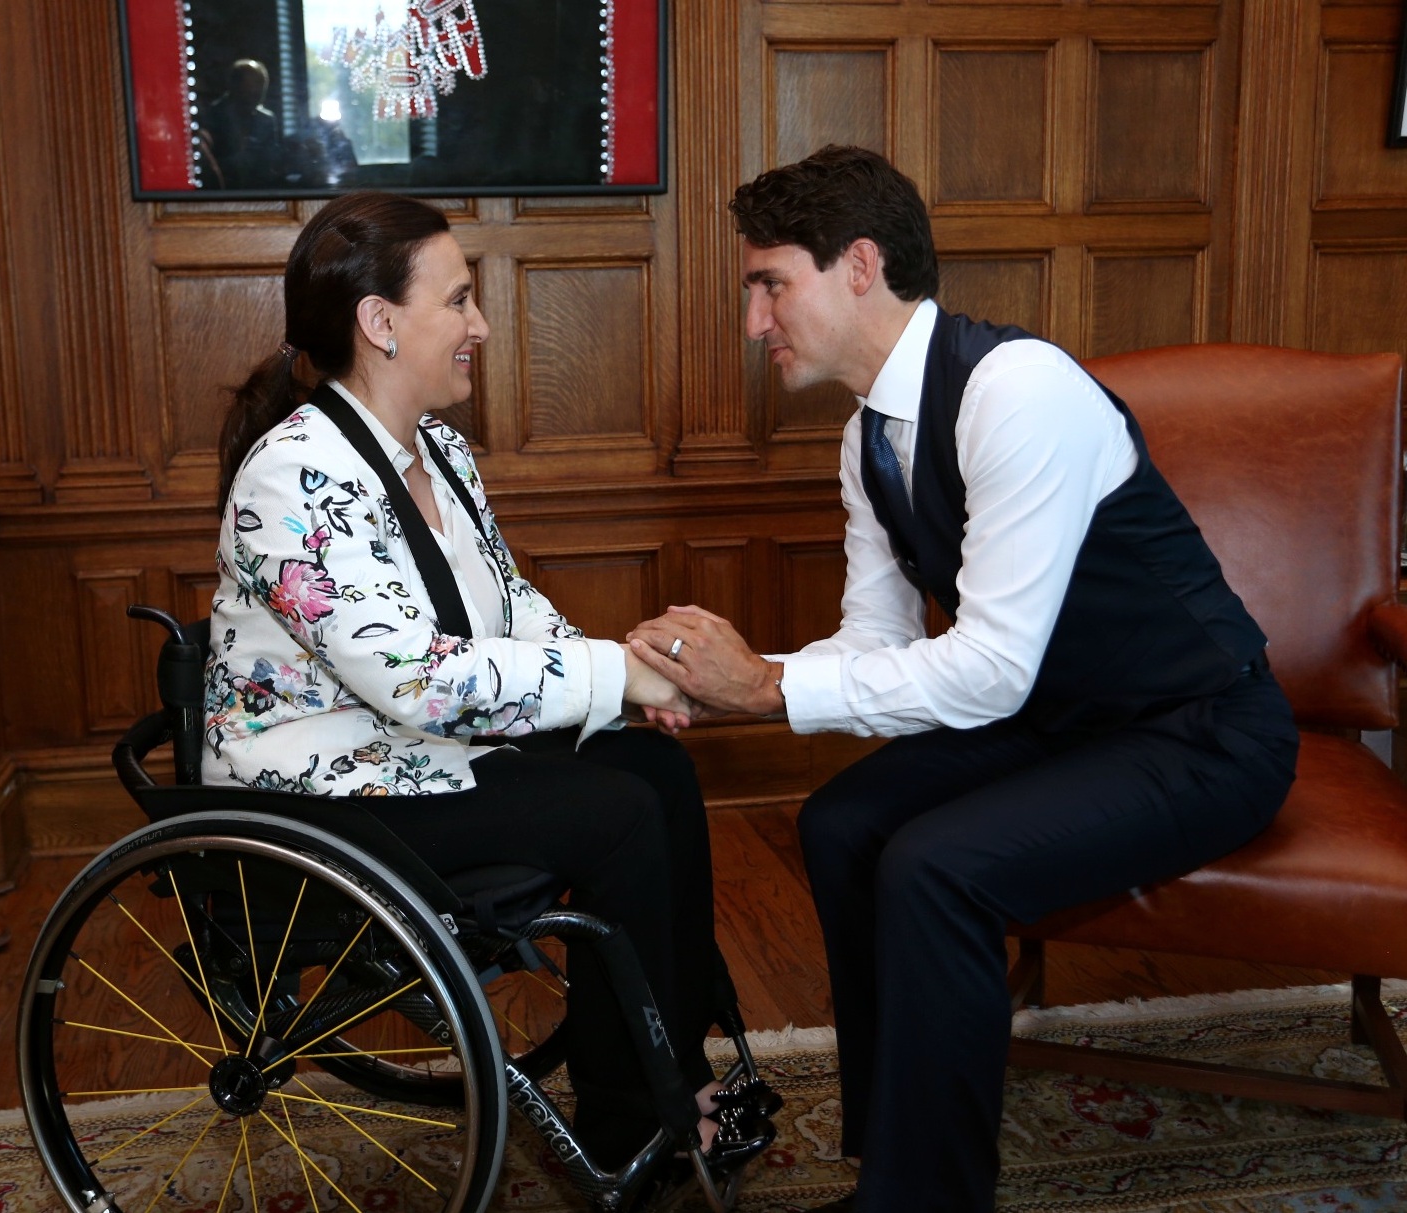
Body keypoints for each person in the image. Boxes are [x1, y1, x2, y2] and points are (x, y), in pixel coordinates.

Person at [628, 145, 1299, 1212]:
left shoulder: (1017, 391)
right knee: (844, 823)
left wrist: (764, 689)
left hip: (1204, 731)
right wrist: (729, 682)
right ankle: (895, 1156)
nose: (756, 321)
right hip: (1066, 719)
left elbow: (988, 671)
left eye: (770, 285)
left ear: (858, 265)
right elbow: (872, 643)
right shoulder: (867, 438)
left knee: (937, 866)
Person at [206, 190, 775, 1172]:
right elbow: (418, 680)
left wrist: (634, 685)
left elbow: (511, 608)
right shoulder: (293, 473)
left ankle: (667, 1072)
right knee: (618, 813)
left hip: (412, 759)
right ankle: (630, 1117)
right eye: (460, 299)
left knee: (661, 776)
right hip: (322, 796)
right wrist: (616, 677)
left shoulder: (443, 452)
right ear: (379, 322)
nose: (479, 325)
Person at [204, 59, 281, 189]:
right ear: (234, 85)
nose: (257, 91)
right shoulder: (213, 115)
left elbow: (271, 162)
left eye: (261, 86)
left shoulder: (266, 120)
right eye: (253, 85)